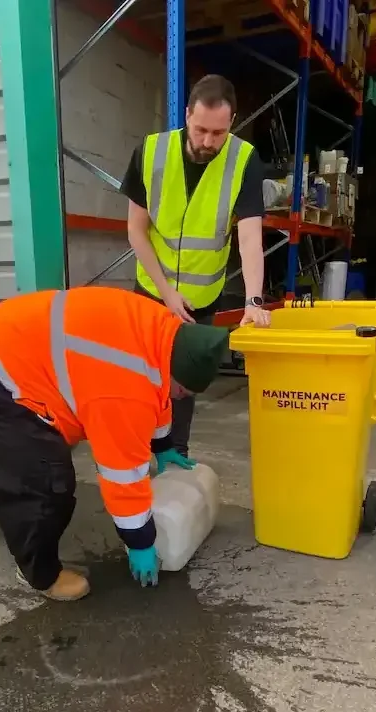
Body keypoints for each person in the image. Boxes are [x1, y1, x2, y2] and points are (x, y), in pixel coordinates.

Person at [0, 286, 229, 602]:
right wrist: (140, 541)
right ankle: (41, 574)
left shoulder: (162, 331)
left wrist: (163, 446)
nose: (179, 398)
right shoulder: (125, 390)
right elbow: (123, 475)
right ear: (173, 373)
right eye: (183, 392)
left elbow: (158, 393)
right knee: (45, 480)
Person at [121, 73, 270, 458]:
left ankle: (175, 454)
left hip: (200, 300)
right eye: (201, 129)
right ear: (187, 115)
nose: (207, 142)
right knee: (142, 378)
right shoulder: (151, 152)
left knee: (182, 382)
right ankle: (136, 453)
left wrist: (255, 301)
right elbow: (136, 230)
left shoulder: (244, 161)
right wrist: (167, 291)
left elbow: (250, 237)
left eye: (218, 133)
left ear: (232, 121)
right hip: (153, 292)